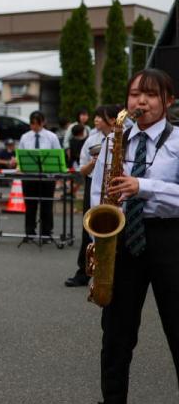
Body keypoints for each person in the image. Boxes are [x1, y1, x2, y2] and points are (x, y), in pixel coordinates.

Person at [79, 69, 179, 404]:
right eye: (135, 94)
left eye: (150, 95)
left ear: (168, 100)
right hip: (120, 238)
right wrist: (96, 238)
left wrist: (144, 186)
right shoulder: (114, 138)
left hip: (169, 238)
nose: (141, 102)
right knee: (116, 333)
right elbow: (97, 189)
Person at [68, 104, 119, 288]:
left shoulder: (123, 136)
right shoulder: (91, 139)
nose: (96, 120)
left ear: (112, 120)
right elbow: (82, 170)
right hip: (93, 184)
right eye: (96, 116)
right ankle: (84, 271)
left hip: (116, 183)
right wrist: (93, 163)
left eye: (100, 117)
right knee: (89, 227)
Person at [17, 111, 62, 243]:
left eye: (37, 124)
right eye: (32, 124)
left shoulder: (52, 137)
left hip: (47, 177)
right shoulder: (25, 137)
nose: (34, 127)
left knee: (46, 206)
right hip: (29, 177)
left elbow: (58, 155)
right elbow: (20, 156)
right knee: (30, 205)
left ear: (43, 122)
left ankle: (46, 233)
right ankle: (29, 232)